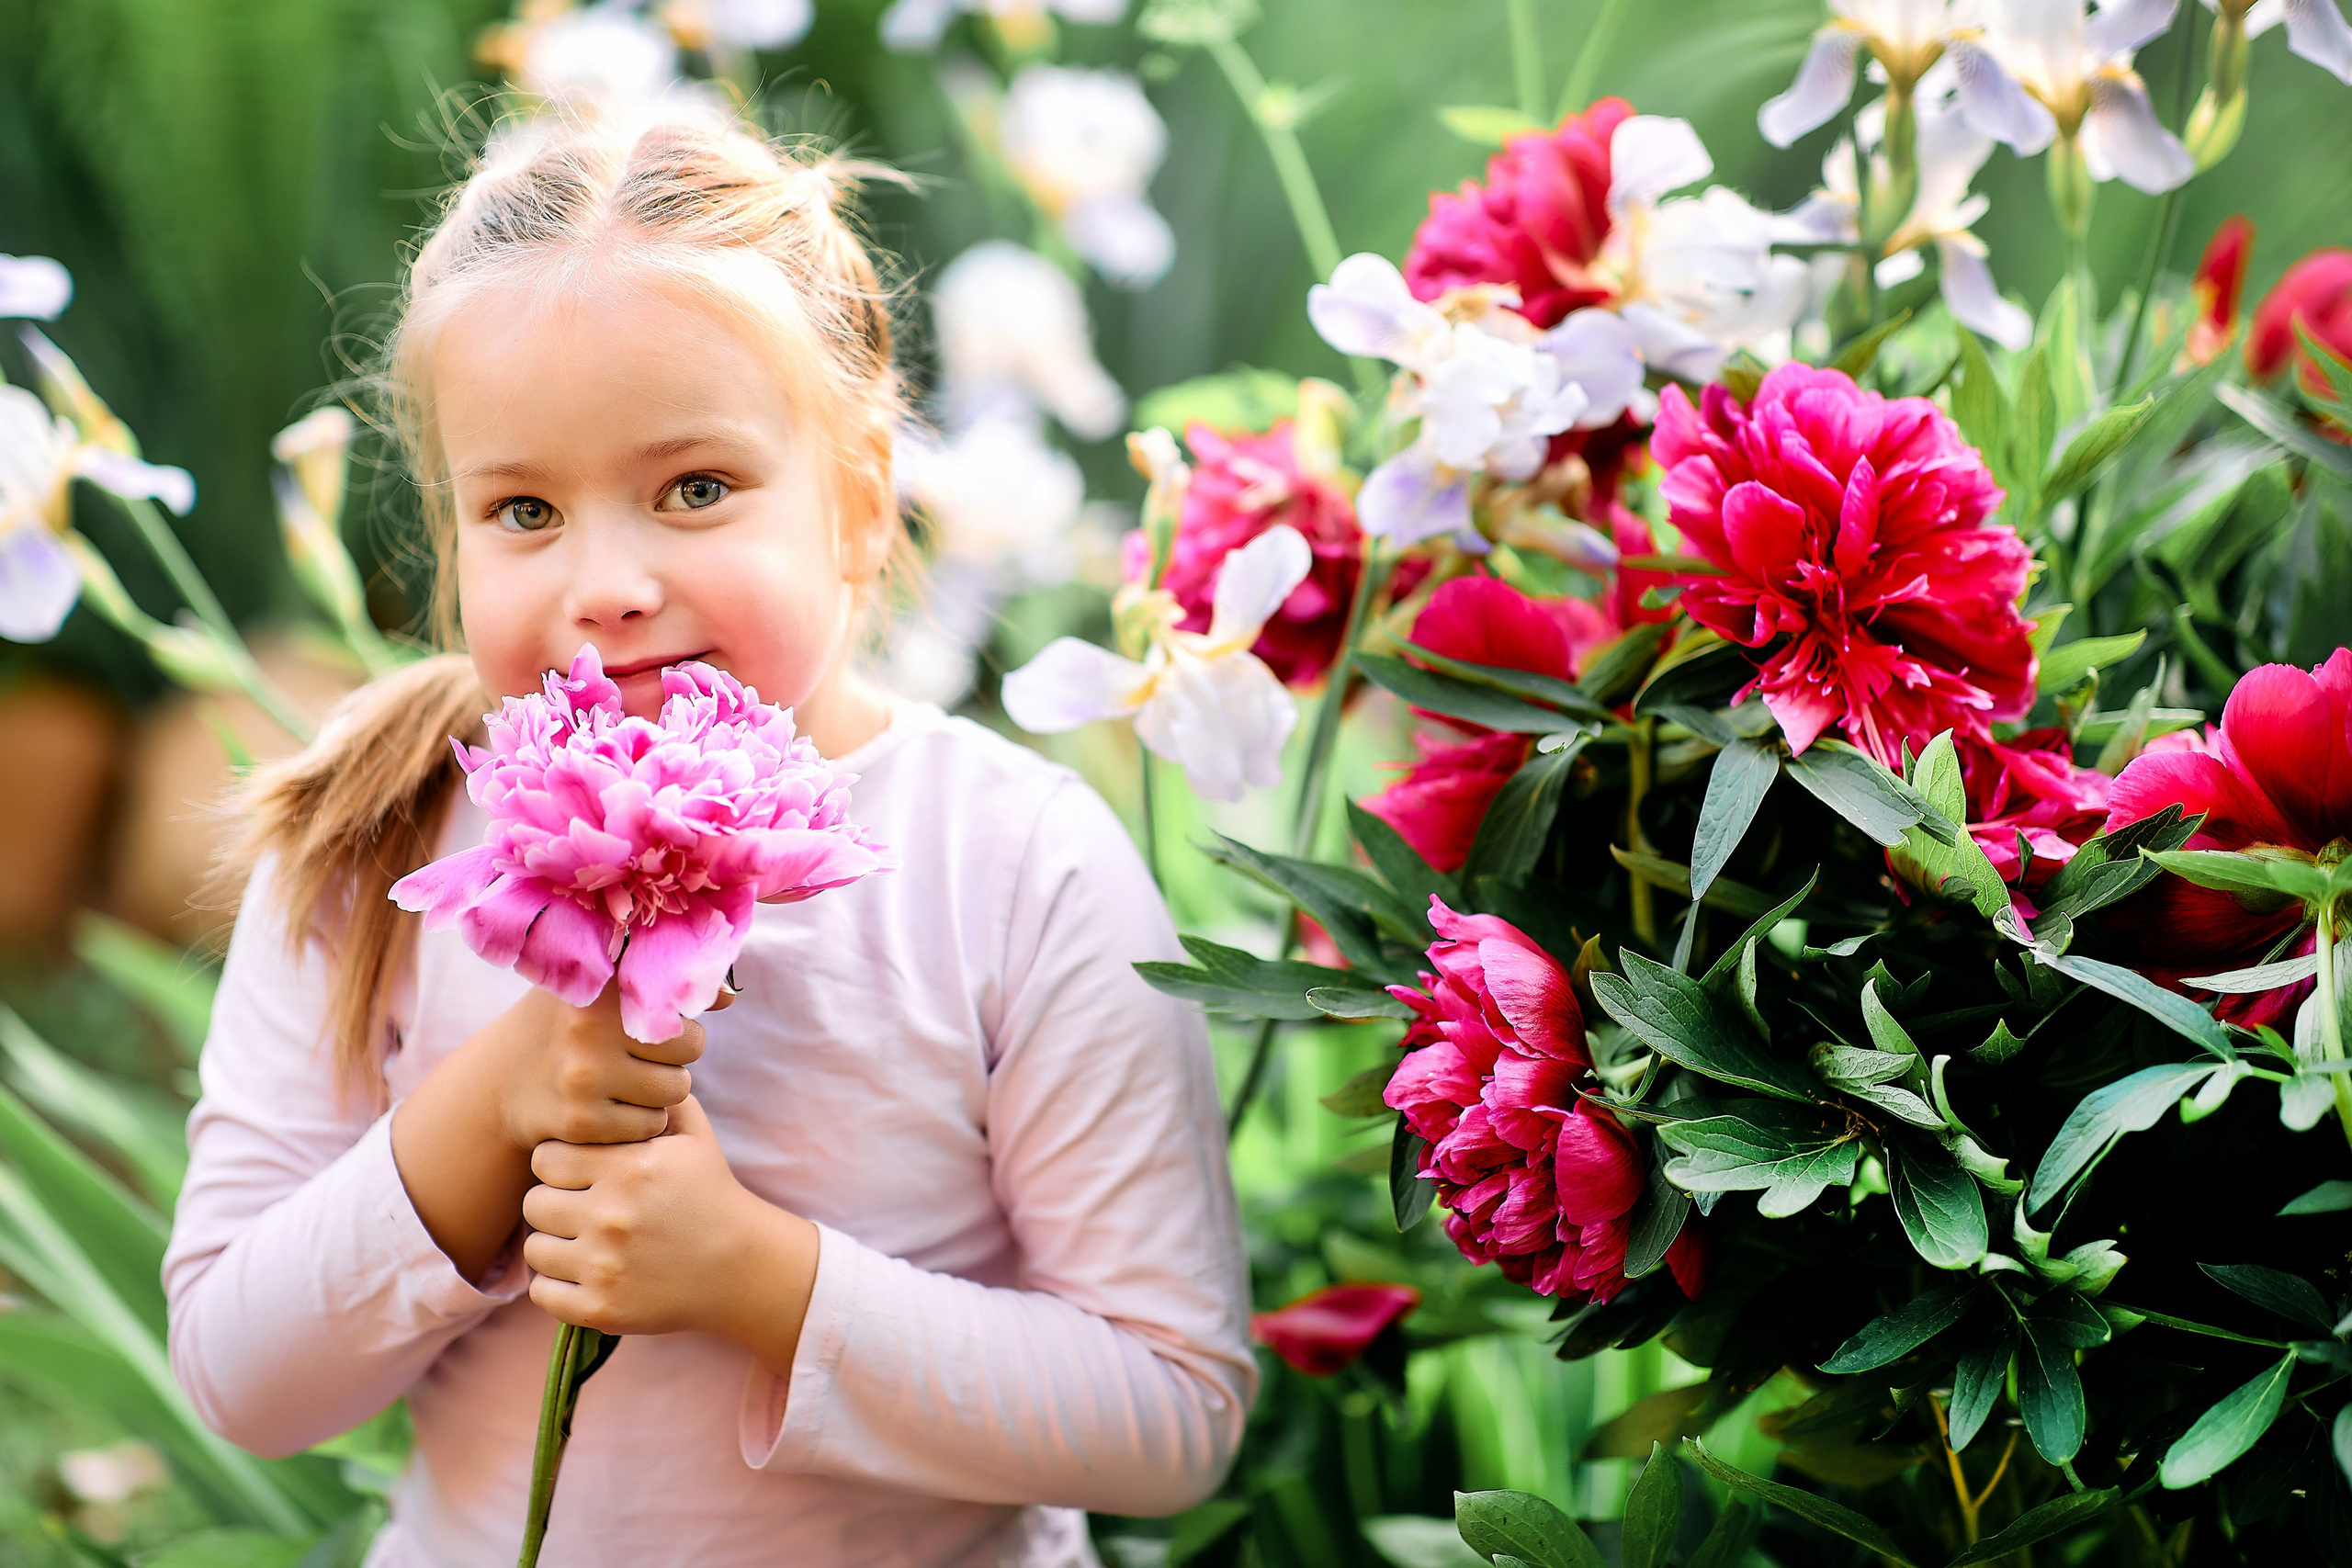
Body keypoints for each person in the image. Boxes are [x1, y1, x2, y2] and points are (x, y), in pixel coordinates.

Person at [161, 102, 1253, 1568]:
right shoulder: (370, 847)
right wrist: (486, 1109)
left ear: (862, 499)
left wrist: (763, 1282)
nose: (606, 582)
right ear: (450, 531)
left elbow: (1170, 1411)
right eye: (525, 508)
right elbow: (240, 1382)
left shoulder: (1015, 866)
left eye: (695, 488)